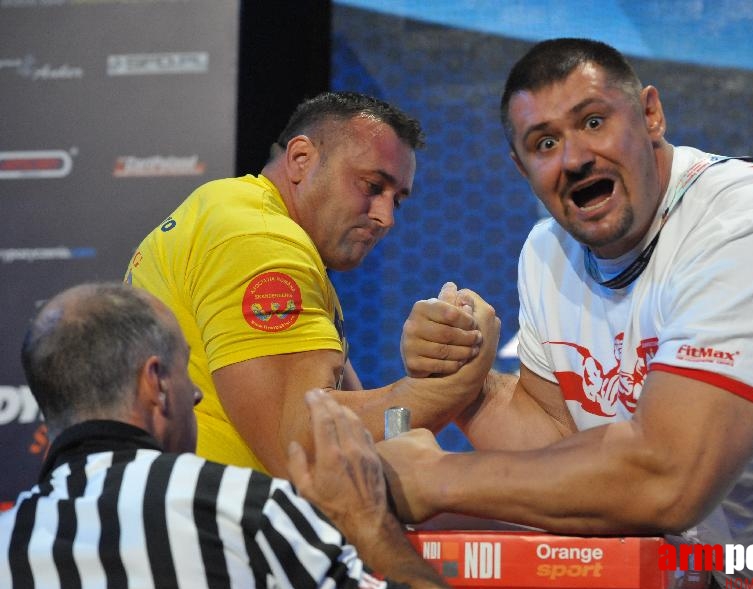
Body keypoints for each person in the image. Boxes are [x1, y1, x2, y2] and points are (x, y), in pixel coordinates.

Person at [381, 38, 753, 589]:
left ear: (651, 114)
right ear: (521, 166)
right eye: (545, 142)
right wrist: (465, 377)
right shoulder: (548, 253)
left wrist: (435, 479)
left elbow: (669, 477)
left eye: (594, 121)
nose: (575, 157)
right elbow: (558, 448)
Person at [0, 282, 456, 589]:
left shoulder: (7, 540)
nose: (195, 393)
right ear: (155, 384)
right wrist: (369, 521)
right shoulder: (240, 507)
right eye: (185, 372)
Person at [124, 91, 498, 478]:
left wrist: (427, 377)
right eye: (372, 186)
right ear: (301, 159)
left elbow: (364, 431)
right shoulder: (260, 239)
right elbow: (300, 450)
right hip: (217, 527)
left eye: (397, 200)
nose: (386, 217)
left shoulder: (232, 213)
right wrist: (457, 381)